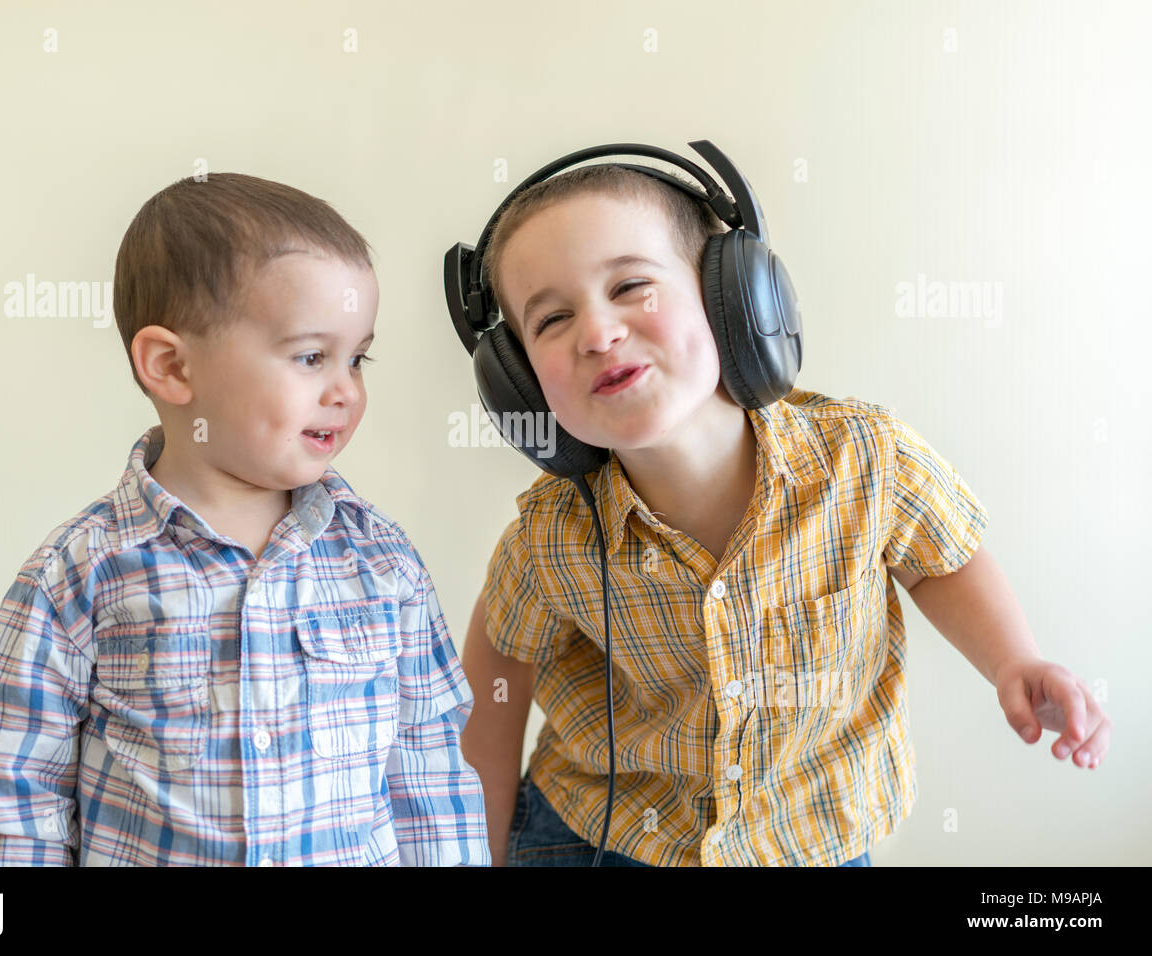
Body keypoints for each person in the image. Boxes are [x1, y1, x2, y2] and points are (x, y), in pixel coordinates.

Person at [457, 160, 1112, 866]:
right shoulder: (550, 537)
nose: (597, 332)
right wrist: (478, 845)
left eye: (630, 286)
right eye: (553, 319)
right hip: (599, 837)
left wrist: (1014, 659)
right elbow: (501, 655)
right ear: (518, 383)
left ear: (732, 298)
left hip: (808, 837)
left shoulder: (863, 457)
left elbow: (939, 563)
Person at [0, 173, 489, 866]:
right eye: (311, 357)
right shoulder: (79, 573)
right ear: (171, 366)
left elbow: (430, 777)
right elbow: (14, 802)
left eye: (357, 359)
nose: (346, 390)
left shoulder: (383, 561)